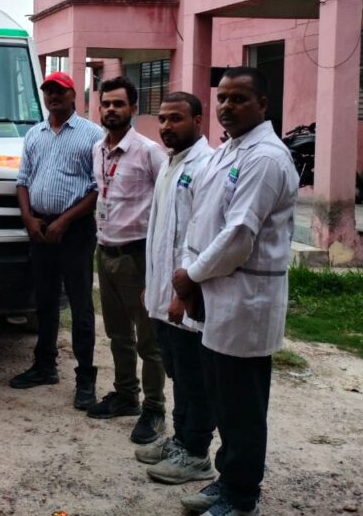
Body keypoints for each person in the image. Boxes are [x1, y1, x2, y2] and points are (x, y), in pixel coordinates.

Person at [172, 67, 297, 516]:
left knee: (242, 403)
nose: (226, 106)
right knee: (223, 396)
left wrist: (191, 275)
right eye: (222, 98)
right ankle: (228, 481)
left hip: (246, 299)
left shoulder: (265, 158)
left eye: (239, 98)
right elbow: (203, 217)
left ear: (263, 104)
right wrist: (191, 273)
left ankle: (243, 497)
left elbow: (239, 235)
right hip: (219, 293)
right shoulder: (229, 150)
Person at [10, 71, 104, 411]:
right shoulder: (34, 134)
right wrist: (28, 217)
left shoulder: (93, 135)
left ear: (73, 95)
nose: (53, 97)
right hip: (40, 229)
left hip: (75, 230)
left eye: (60, 91)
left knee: (80, 305)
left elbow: (97, 188)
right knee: (45, 301)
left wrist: (65, 220)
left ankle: (85, 378)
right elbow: (23, 180)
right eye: (48, 91)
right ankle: (44, 365)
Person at [138, 92, 216, 485]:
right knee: (177, 373)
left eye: (176, 119)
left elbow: (198, 238)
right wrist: (152, 286)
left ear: (198, 120)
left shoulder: (205, 166)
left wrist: (183, 295)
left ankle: (197, 453)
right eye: (163, 119)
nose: (167, 126)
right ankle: (180, 440)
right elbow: (160, 234)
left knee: (193, 377)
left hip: (186, 297)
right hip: (163, 293)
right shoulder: (170, 162)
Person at [87, 75, 167, 444]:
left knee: (148, 339)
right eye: (105, 104)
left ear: (133, 108)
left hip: (138, 256)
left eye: (118, 104)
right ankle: (125, 395)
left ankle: (154, 409)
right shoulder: (98, 149)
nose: (111, 110)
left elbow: (168, 204)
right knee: (117, 333)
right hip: (106, 252)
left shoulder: (150, 152)